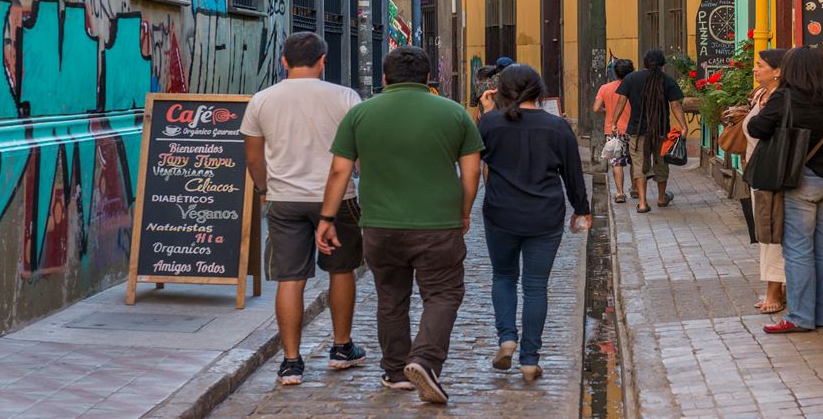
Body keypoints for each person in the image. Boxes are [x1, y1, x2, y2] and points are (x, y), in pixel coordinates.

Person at [315, 46, 484, 404]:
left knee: (391, 297)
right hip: (438, 226)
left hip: (379, 227)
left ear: (384, 77)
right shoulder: (455, 114)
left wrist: (327, 218)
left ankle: (395, 371)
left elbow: (339, 171)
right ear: (427, 78)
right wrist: (464, 211)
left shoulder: (360, 114)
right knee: (443, 293)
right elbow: (472, 172)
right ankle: (424, 358)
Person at [240, 32, 367, 386]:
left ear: (283, 61)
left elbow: (252, 157)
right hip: (337, 198)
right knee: (341, 271)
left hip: (284, 198)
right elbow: (358, 153)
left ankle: (291, 362)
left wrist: (266, 189)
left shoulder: (262, 100)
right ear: (322, 61)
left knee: (290, 278)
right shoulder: (345, 97)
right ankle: (342, 348)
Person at [477, 64, 592, 381]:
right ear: (539, 91)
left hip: (500, 214)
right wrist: (582, 209)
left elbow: (475, 155)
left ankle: (507, 338)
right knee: (536, 286)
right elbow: (573, 174)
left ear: (502, 91)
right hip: (545, 216)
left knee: (503, 276)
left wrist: (488, 112)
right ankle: (529, 359)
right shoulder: (557, 127)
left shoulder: (491, 123)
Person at [746, 47, 823, 334]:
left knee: (799, 250)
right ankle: (821, 314)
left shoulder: (785, 97)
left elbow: (756, 129)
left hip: (799, 180)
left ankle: (801, 317)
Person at [609, 49, 688, 213]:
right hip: (660, 131)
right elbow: (675, 105)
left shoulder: (631, 78)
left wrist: (614, 122)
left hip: (637, 132)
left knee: (639, 165)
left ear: (644, 63)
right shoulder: (667, 80)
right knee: (661, 163)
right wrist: (683, 126)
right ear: (662, 64)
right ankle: (661, 198)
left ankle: (643, 203)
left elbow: (621, 101)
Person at [743, 49, 787, 315]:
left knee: (772, 233)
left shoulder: (779, 99)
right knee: (765, 233)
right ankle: (777, 288)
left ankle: (774, 291)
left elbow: (761, 130)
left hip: (770, 173)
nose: (755, 70)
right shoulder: (761, 95)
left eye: (760, 65)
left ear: (778, 71)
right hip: (757, 172)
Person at [592, 58, 634, 203]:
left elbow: (596, 108)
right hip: (633, 128)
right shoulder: (634, 87)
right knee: (635, 160)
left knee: (617, 162)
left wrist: (608, 110)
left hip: (613, 131)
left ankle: (620, 193)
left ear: (615, 73)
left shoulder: (605, 88)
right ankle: (634, 188)